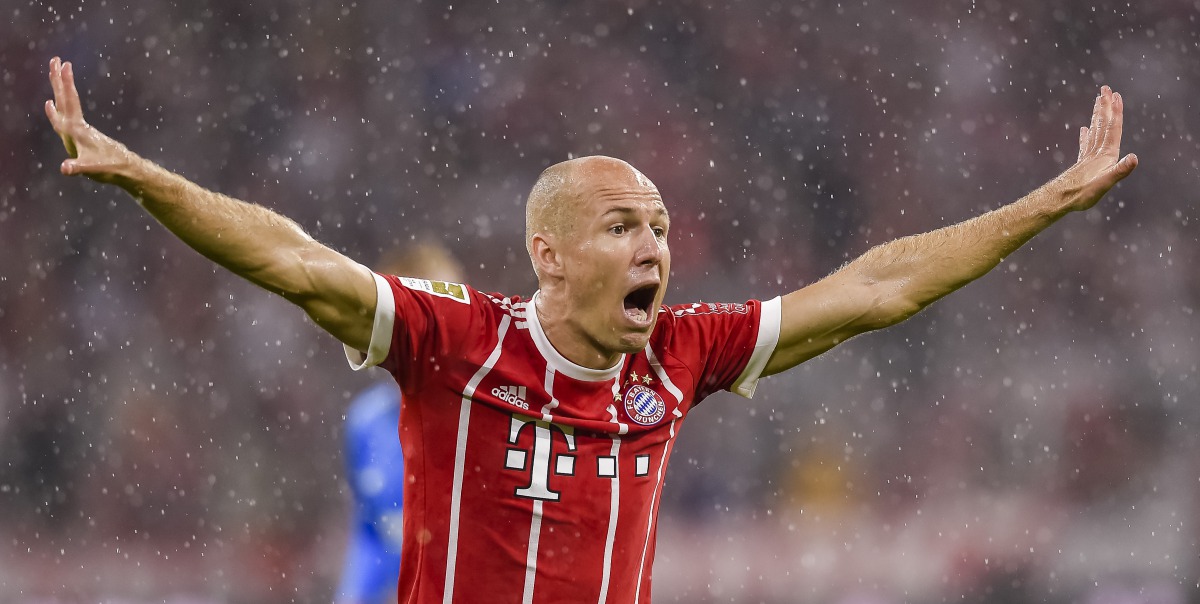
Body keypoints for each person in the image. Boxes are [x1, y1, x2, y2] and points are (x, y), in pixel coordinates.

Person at [44, 56, 1137, 603]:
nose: (656, 247)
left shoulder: (681, 355)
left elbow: (878, 287)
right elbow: (288, 257)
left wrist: (1040, 204)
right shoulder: (453, 344)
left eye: (660, 227)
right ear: (551, 254)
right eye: (624, 226)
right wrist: (145, 177)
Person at [337, 244, 466, 604]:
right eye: (414, 319)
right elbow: (370, 532)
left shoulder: (491, 413)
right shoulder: (366, 422)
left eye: (444, 319)